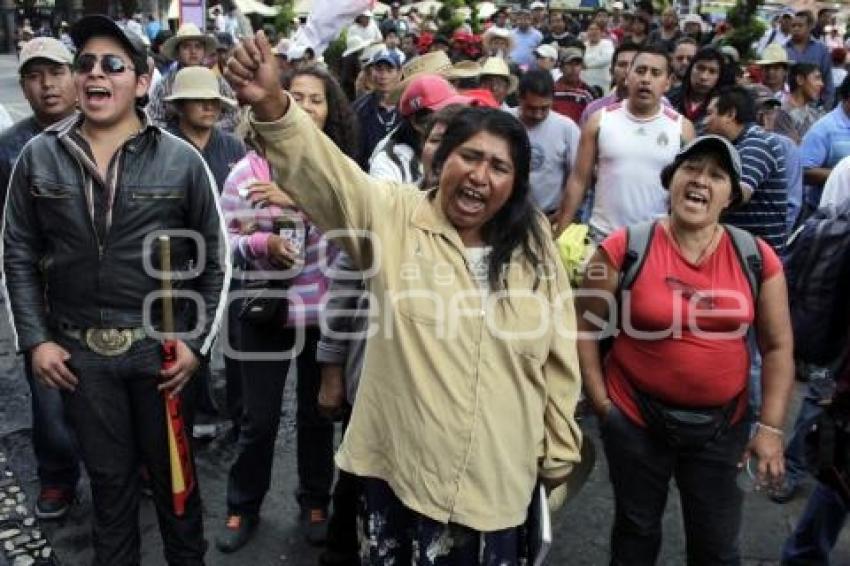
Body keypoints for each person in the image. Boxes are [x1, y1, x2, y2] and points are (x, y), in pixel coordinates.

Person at [225, 31, 582, 565]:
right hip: (402, 479)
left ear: (517, 182)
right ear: (440, 161)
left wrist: (556, 455)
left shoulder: (532, 242)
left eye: (499, 166)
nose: (480, 176)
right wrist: (275, 104)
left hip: (501, 486)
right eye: (469, 156)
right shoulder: (393, 215)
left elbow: (559, 352)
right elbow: (328, 178)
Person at [3, 15, 228, 564]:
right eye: (85, 64)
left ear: (143, 81)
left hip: (162, 355)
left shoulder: (182, 160)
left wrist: (196, 346)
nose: (94, 73)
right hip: (81, 360)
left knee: (177, 494)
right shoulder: (39, 156)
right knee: (111, 492)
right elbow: (18, 252)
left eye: (112, 64)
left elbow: (215, 262)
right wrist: (37, 340)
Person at [577, 134, 794, 566]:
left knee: (716, 547)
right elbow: (583, 327)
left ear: (731, 196)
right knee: (636, 532)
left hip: (722, 427)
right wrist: (602, 404)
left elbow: (778, 345)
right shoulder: (622, 247)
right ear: (671, 179)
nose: (701, 180)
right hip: (635, 419)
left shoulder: (757, 257)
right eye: (691, 169)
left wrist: (770, 428)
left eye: (716, 175)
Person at [216, 65, 357, 553]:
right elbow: (223, 243)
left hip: (325, 316)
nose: (304, 105)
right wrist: (263, 241)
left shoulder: (342, 171)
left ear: (329, 110)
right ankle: (242, 506)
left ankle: (316, 498)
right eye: (294, 95)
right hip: (264, 311)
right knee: (258, 419)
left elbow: (357, 235)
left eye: (315, 99)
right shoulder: (247, 172)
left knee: (319, 414)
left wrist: (297, 196)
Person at [0, 37, 81, 521]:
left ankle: (131, 468)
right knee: (47, 386)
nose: (47, 85)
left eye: (55, 73)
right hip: (41, 288)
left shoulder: (105, 128)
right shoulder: (11, 148)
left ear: (76, 77)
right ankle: (57, 476)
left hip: (105, 285)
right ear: (24, 86)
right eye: (34, 75)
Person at [557, 46, 695, 240]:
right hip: (602, 237)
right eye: (640, 71)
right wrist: (560, 235)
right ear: (627, 76)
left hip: (655, 240)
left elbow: (687, 188)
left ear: (668, 82)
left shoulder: (683, 129)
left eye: (655, 73)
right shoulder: (599, 120)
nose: (646, 79)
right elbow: (579, 180)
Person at [703, 86, 789, 253]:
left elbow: (740, 193)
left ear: (730, 114)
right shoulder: (733, 145)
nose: (705, 121)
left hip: (757, 256)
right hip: (742, 249)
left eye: (710, 113)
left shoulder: (757, 143)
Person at [370, 75, 470, 184]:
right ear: (417, 122)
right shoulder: (389, 163)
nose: (456, 117)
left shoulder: (463, 146)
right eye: (446, 112)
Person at [511, 70, 580, 218]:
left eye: (544, 108)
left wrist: (564, 213)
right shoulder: (505, 121)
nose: (538, 114)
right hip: (507, 213)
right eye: (531, 108)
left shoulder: (566, 128)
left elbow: (577, 177)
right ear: (519, 98)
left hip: (549, 215)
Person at [165, 66, 246, 192]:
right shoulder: (162, 148)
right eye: (198, 100)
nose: (208, 107)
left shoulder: (233, 146)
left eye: (213, 100)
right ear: (180, 106)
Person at [148, 22, 240, 132]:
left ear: (203, 51)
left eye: (198, 46)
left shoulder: (216, 81)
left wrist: (210, 131)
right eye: (186, 47)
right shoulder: (164, 84)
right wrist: (177, 135)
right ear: (178, 52)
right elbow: (153, 119)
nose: (193, 52)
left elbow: (234, 114)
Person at [799, 76, 850, 216]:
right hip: (828, 217)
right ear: (846, 98)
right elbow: (804, 171)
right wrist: (841, 175)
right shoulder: (824, 128)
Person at [352, 49, 402, 170]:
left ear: (400, 73)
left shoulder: (408, 106)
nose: (383, 75)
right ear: (371, 73)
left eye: (389, 70)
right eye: (379, 69)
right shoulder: (358, 108)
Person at [668, 46, 733, 127]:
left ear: (719, 77)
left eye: (712, 71)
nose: (704, 77)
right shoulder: (670, 99)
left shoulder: (722, 109)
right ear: (691, 68)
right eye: (700, 68)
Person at [580, 42, 641, 125]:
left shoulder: (661, 109)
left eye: (634, 65)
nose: (628, 71)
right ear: (611, 71)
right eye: (622, 65)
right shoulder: (594, 110)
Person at [786, 10, 834, 107]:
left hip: (815, 107)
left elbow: (827, 79)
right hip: (789, 106)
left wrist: (826, 107)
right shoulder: (783, 49)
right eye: (793, 26)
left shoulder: (821, 49)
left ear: (809, 27)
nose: (796, 29)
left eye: (800, 26)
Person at [773, 63, 824, 144]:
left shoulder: (815, 112)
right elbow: (793, 149)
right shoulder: (783, 113)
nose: (821, 84)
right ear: (800, 80)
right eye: (817, 78)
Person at [553, 47, 594, 124]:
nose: (573, 68)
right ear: (561, 67)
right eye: (569, 64)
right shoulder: (551, 91)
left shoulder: (587, 93)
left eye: (577, 64)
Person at [582, 22, 615, 93]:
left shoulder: (607, 44)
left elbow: (605, 59)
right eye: (591, 29)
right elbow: (580, 61)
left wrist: (587, 64)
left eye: (596, 29)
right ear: (587, 32)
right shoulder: (583, 46)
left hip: (603, 83)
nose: (593, 32)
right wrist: (596, 57)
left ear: (601, 32)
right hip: (585, 83)